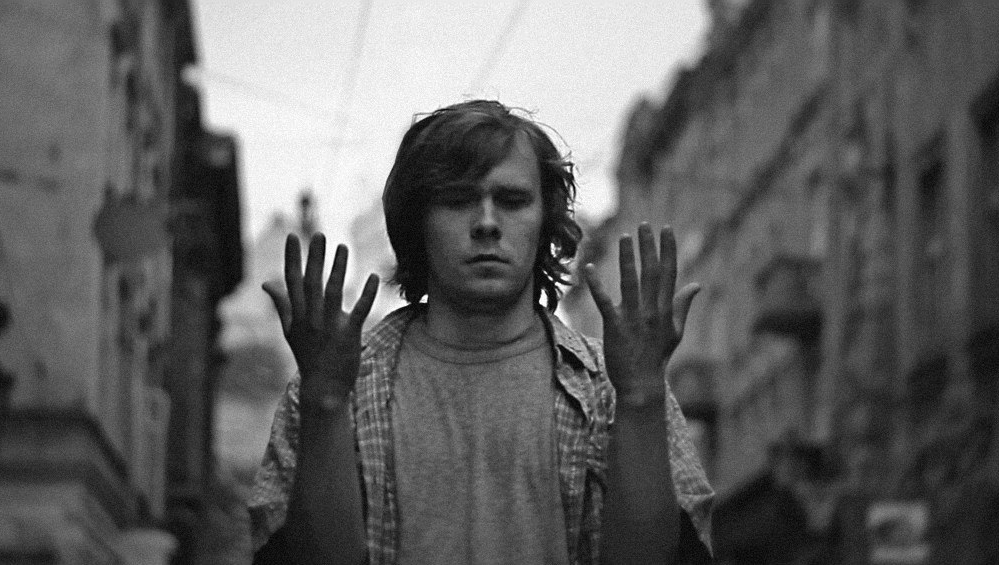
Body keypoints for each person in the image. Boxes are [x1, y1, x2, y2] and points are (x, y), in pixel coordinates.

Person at [249, 100, 714, 565]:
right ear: (417, 223)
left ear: (545, 222)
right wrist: (326, 401)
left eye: (512, 201)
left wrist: (640, 398)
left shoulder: (607, 388)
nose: (487, 223)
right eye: (457, 200)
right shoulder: (341, 384)